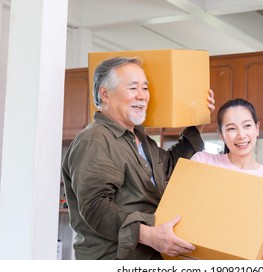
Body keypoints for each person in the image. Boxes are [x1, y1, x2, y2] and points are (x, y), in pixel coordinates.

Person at [61, 56, 215, 260]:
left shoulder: (140, 139)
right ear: (105, 94)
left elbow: (168, 167)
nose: (142, 96)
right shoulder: (94, 140)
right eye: (133, 88)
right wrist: (149, 236)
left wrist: (197, 120)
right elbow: (96, 207)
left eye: (145, 88)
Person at [190, 98, 263, 260]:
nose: (241, 135)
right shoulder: (203, 162)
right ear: (221, 135)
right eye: (231, 128)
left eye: (247, 126)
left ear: (257, 128)